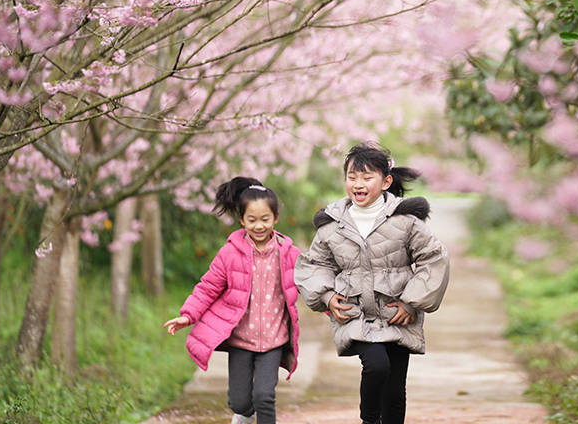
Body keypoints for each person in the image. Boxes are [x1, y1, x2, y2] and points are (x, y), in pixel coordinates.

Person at [294, 143, 450, 424]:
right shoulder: (333, 224)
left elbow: (433, 259)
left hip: (397, 316)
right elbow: (315, 265)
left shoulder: (406, 221)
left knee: (394, 389)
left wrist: (410, 301)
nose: (358, 184)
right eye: (352, 177)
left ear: (386, 181)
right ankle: (368, 420)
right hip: (356, 316)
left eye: (367, 177)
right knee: (377, 367)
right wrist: (327, 296)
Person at [163, 177, 301, 424]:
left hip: (274, 339)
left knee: (265, 396)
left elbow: (312, 283)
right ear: (241, 220)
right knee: (240, 402)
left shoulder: (288, 253)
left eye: (265, 219)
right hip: (241, 340)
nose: (259, 226)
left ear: (276, 218)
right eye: (252, 220)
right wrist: (188, 315)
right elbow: (208, 287)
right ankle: (245, 415)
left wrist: (332, 305)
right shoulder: (229, 253)